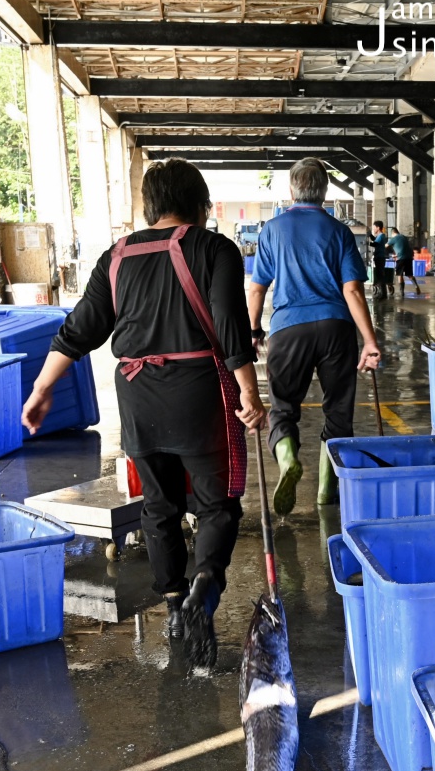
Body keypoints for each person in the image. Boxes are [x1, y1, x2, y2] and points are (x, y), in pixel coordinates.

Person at [22, 159, 265, 660]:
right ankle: (204, 588)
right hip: (199, 392)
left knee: (159, 506)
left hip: (136, 395)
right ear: (198, 205)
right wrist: (249, 393)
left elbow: (81, 327)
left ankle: (175, 606)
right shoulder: (214, 248)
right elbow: (230, 327)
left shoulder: (116, 257)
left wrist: (43, 387)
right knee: (217, 502)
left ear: (150, 207)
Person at [248, 158, 382, 515]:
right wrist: (369, 341)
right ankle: (326, 490)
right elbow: (352, 290)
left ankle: (289, 459)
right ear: (324, 192)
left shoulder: (272, 230)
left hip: (289, 329)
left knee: (283, 407)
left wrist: (253, 331)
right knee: (338, 413)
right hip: (336, 328)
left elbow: (257, 289)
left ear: (292, 190)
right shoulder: (339, 232)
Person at [390, 226, 420, 295]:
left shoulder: (394, 238)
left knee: (400, 275)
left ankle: (402, 292)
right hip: (409, 257)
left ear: (393, 233)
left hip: (401, 259)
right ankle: (416, 285)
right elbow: (404, 248)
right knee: (409, 274)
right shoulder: (404, 237)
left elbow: (385, 246)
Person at [370, 220, 391, 299]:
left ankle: (383, 294)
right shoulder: (379, 236)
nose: (374, 229)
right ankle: (381, 293)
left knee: (381, 275)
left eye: (374, 228)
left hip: (380, 257)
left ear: (378, 228)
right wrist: (369, 235)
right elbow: (374, 240)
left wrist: (364, 242)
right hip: (378, 257)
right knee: (379, 275)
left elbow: (375, 244)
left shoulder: (381, 235)